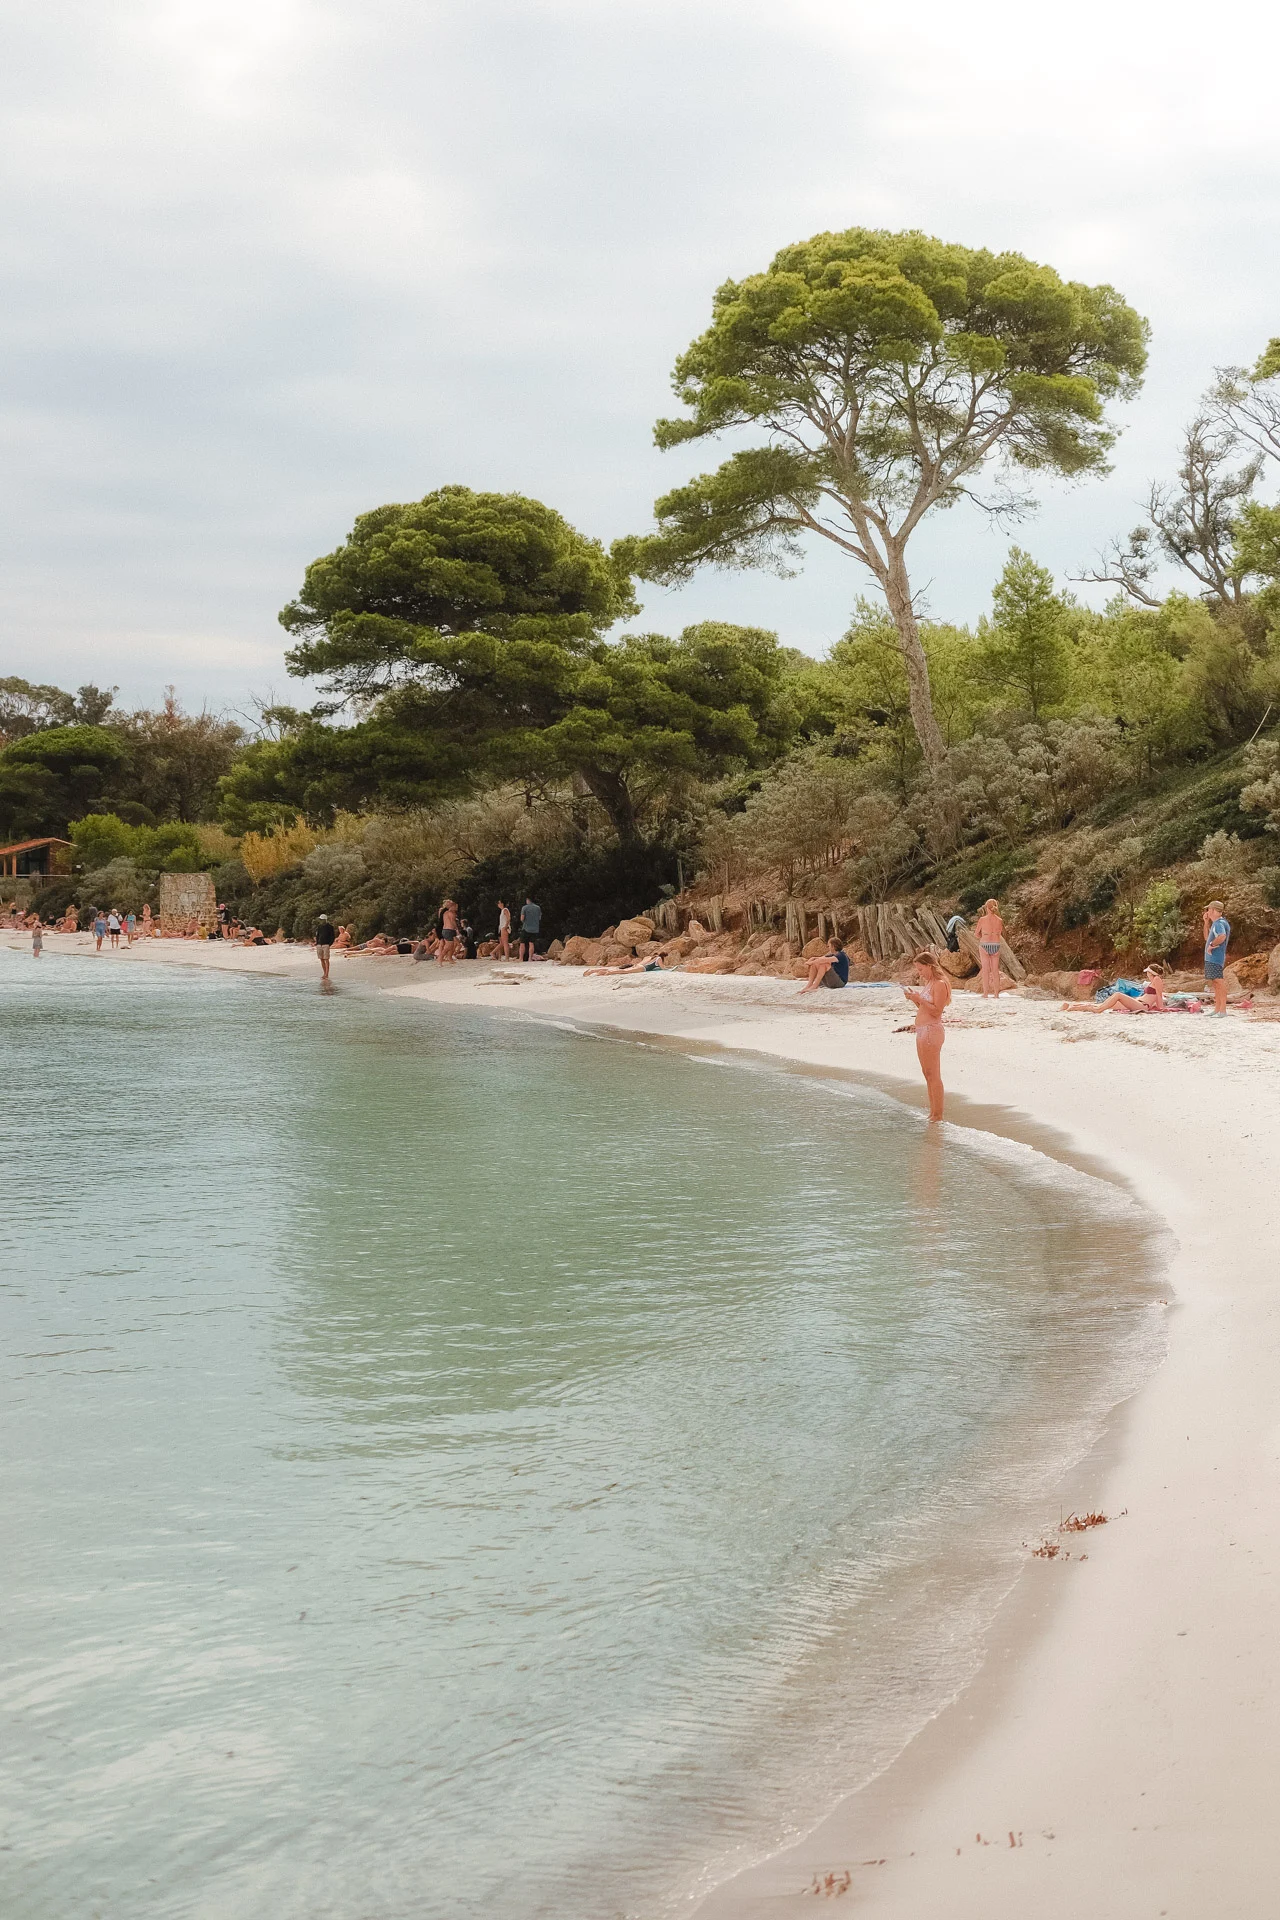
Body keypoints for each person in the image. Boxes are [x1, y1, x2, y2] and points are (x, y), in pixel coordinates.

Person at [903, 949, 951, 1123]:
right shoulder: (930, 983)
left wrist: (920, 999)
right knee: (927, 1073)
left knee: (934, 1074)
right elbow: (924, 1009)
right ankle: (932, 1113)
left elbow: (937, 1010)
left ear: (930, 966)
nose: (920, 973)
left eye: (921, 969)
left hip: (932, 1030)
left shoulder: (940, 983)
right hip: (923, 1030)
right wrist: (914, 999)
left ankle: (938, 1115)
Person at [1060, 966, 1166, 1014]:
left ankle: (1098, 1010)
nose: (1147, 974)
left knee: (1118, 995)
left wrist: (1161, 1008)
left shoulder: (1157, 980)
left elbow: (1159, 996)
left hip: (1142, 1005)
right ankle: (1072, 1007)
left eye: (1147, 972)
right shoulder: (1152, 982)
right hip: (1138, 1001)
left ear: (1151, 973)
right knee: (1108, 1004)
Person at [1203, 899, 1230, 1016]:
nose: (1207, 912)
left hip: (1216, 958)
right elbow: (1206, 938)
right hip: (1211, 958)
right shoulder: (1215, 924)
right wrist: (1206, 923)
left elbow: (1222, 936)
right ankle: (1217, 1008)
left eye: (1208, 909)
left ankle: (1222, 1009)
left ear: (1213, 910)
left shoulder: (1219, 923)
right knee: (1215, 982)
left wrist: (1211, 945)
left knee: (1219, 981)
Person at [973, 899, 1005, 999]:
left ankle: (986, 993)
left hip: (985, 944)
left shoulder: (982, 920)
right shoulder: (999, 920)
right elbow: (1000, 933)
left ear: (986, 908)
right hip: (995, 945)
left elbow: (976, 933)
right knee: (995, 971)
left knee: (985, 970)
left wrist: (983, 935)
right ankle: (996, 994)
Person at [435, 899, 460, 965]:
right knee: (448, 946)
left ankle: (449, 958)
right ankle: (440, 958)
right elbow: (453, 922)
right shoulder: (451, 913)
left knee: (451, 946)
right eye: (456, 907)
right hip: (449, 930)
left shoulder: (445, 912)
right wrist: (457, 929)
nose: (457, 908)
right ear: (452, 906)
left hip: (445, 930)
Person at [518, 894, 541, 961]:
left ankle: (521, 958)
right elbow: (539, 918)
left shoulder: (524, 908)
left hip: (526, 928)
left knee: (522, 943)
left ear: (528, 900)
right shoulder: (538, 908)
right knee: (531, 943)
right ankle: (530, 958)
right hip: (535, 929)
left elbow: (522, 918)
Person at [315, 911, 337, 980]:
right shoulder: (319, 927)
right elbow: (318, 935)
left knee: (326, 959)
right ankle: (324, 973)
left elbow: (332, 936)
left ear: (324, 920)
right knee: (321, 959)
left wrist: (329, 944)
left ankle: (327, 974)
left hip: (326, 944)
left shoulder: (330, 927)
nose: (321, 921)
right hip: (319, 945)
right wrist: (317, 942)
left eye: (321, 920)